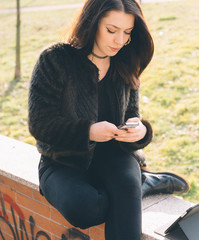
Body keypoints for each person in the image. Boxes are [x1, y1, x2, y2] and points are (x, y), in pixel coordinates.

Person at [28, 0, 189, 239]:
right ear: (91, 23)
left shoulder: (126, 62)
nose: (120, 41)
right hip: (62, 161)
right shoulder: (55, 59)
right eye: (111, 30)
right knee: (86, 209)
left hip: (115, 155)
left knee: (124, 193)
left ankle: (134, 183)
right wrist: (89, 131)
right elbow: (40, 123)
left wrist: (140, 131)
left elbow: (132, 115)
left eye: (127, 32)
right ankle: (142, 184)